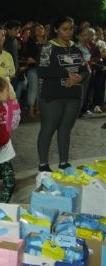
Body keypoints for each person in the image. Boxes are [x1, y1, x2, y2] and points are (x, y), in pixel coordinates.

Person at [37, 16, 87, 172]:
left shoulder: (76, 48)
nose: (69, 32)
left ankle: (64, 162)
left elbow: (85, 70)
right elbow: (42, 71)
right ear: (56, 29)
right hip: (53, 95)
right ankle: (43, 164)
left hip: (73, 95)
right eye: (65, 29)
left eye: (71, 29)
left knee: (66, 129)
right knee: (48, 128)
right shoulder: (48, 47)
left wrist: (80, 77)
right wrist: (66, 74)